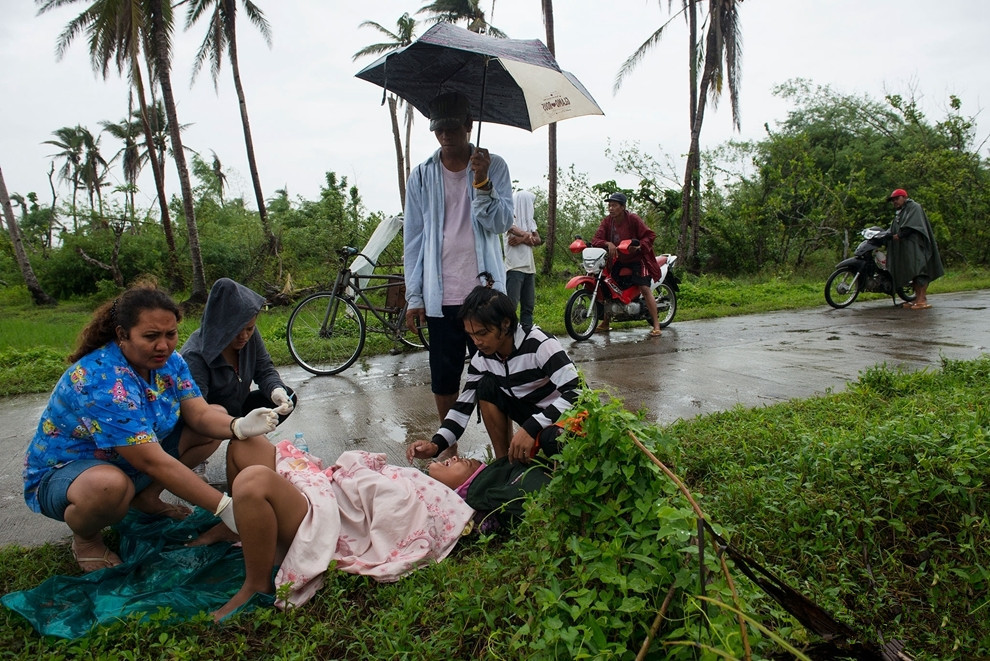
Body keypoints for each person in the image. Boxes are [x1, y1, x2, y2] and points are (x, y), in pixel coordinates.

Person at [22, 282, 279, 572]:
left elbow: (200, 414)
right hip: (72, 473)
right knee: (108, 487)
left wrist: (238, 425)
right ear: (122, 335)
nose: (164, 345)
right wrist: (223, 506)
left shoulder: (171, 362)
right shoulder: (101, 378)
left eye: (171, 334)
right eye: (151, 336)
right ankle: (86, 540)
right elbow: (151, 460)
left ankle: (145, 497)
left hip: (129, 462)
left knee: (216, 417)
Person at [201, 423, 570, 621]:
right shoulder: (418, 478)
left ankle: (256, 583)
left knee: (252, 481)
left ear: (469, 481)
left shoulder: (442, 501)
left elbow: (392, 514)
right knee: (244, 445)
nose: (448, 459)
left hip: (324, 516)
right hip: (327, 492)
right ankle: (240, 525)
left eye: (459, 462)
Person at [403, 91, 515, 425]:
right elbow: (414, 238)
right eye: (439, 128)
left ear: (468, 125)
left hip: (485, 291)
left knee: (495, 373)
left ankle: (503, 454)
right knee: (444, 375)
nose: (445, 135)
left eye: (452, 127)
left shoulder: (495, 166)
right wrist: (415, 295)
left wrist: (482, 182)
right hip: (442, 294)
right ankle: (448, 451)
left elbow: (500, 223)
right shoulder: (422, 175)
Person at [405, 284, 581, 464]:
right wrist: (435, 445)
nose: (476, 342)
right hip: (530, 413)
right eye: (471, 335)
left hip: (564, 418)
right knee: (486, 387)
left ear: (505, 324)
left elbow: (578, 393)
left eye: (482, 333)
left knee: (554, 441)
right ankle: (504, 465)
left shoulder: (539, 344)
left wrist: (532, 427)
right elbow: (462, 407)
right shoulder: (482, 358)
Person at [181, 278, 296, 423]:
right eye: (236, 331)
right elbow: (196, 411)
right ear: (221, 326)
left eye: (249, 328)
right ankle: (243, 440)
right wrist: (236, 427)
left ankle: (249, 438)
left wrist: (276, 390)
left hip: (239, 405)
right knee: (220, 414)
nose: (244, 336)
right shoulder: (194, 355)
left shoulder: (251, 337)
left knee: (287, 395)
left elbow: (264, 370)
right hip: (211, 417)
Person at [592, 192, 664, 337]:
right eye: (609, 205)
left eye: (614, 205)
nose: (611, 208)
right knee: (607, 285)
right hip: (619, 260)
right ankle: (606, 322)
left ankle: (656, 325)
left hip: (638, 260)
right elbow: (596, 239)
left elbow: (650, 236)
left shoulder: (632, 219)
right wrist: (608, 243)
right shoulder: (608, 221)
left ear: (623, 207)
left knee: (644, 288)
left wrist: (638, 246)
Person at [887, 188, 944, 310]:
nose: (894, 202)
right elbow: (895, 228)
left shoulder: (914, 207)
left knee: (920, 271)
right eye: (893, 200)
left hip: (917, 247)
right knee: (912, 273)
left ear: (904, 197)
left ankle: (922, 299)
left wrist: (900, 235)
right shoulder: (901, 211)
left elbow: (912, 226)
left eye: (897, 199)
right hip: (907, 249)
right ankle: (917, 299)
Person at [504, 188, 541, 328]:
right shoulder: (508, 218)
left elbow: (538, 240)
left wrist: (522, 239)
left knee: (528, 307)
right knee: (511, 307)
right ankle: (509, 336)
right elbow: (512, 231)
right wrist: (528, 236)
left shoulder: (529, 221)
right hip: (514, 268)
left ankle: (526, 336)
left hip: (529, 269)